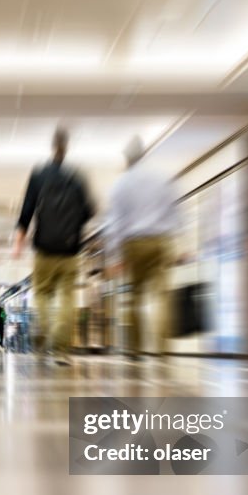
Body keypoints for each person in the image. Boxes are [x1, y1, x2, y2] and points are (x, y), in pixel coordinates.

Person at [12, 128, 94, 366]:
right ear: (66, 148)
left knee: (42, 293)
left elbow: (27, 210)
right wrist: (74, 228)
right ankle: (61, 349)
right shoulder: (76, 178)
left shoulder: (39, 175)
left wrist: (19, 243)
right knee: (67, 297)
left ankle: (44, 327)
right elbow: (88, 211)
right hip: (71, 250)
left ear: (52, 147)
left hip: (44, 248)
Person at [103, 135, 180, 360]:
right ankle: (162, 347)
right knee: (162, 295)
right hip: (162, 241)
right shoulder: (162, 177)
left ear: (127, 158)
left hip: (134, 243)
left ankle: (134, 349)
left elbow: (115, 223)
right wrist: (178, 243)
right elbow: (176, 212)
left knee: (135, 295)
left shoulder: (121, 184)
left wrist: (114, 255)